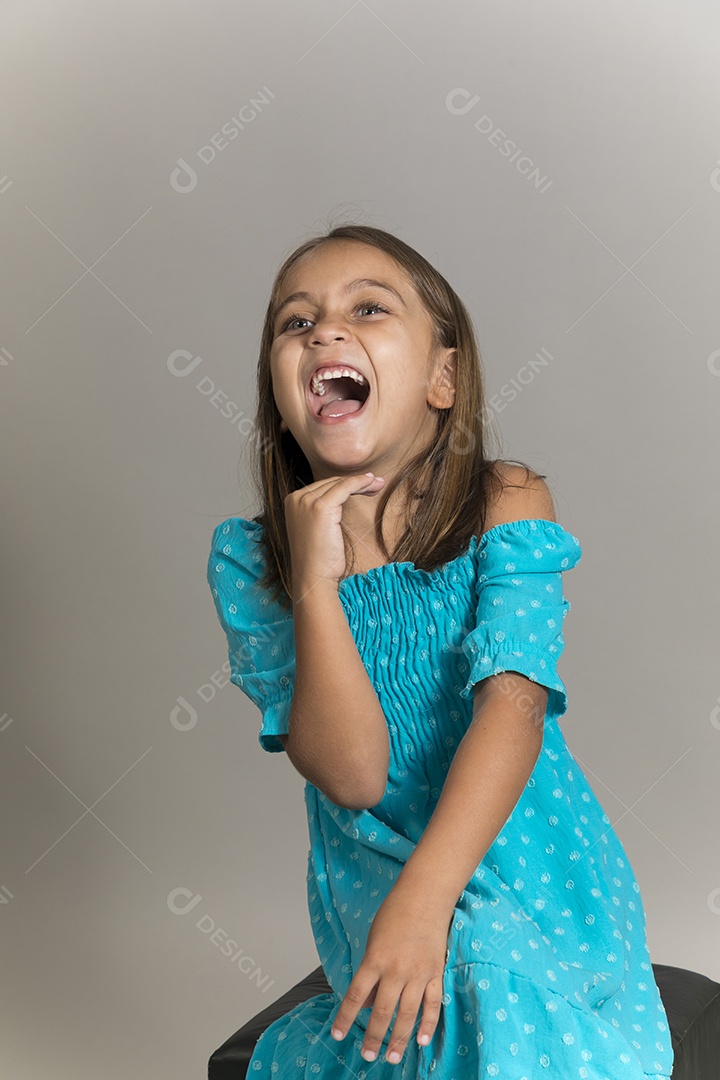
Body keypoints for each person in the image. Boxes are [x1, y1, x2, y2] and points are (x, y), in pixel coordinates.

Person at [206, 223, 674, 1078]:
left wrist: (432, 900)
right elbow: (353, 775)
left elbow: (515, 705)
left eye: (368, 309)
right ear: (280, 394)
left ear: (442, 379)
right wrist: (316, 587)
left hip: (527, 862)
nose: (325, 332)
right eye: (295, 322)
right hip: (373, 875)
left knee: (486, 971)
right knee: (441, 1001)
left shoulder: (508, 499)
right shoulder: (251, 557)